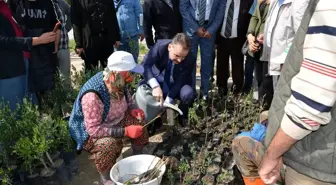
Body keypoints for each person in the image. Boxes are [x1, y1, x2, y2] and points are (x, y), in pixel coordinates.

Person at [233, 1, 336, 185]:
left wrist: (273, 154)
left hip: (313, 161)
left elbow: (312, 102)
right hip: (318, 153)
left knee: (240, 145)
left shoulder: (327, 8)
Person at [68, 51, 148, 185]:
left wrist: (133, 109)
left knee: (139, 123)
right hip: (91, 131)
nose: (133, 77)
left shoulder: (119, 82)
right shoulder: (93, 95)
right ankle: (105, 177)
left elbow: (128, 101)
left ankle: (138, 157)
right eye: (131, 73)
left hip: (116, 120)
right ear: (117, 73)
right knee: (107, 145)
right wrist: (125, 131)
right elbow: (93, 129)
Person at [5, 0, 61, 105]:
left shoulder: (47, 3)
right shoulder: (15, 3)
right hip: (26, 57)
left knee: (50, 98)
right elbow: (14, 32)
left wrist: (56, 37)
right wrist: (39, 37)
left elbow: (56, 24)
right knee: (28, 100)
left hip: (46, 57)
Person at [139, 33, 195, 134]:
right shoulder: (160, 46)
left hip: (177, 84)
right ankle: (152, 120)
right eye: (177, 55)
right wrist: (155, 86)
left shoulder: (190, 58)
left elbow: (181, 80)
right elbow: (145, 65)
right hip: (158, 80)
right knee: (143, 90)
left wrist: (169, 99)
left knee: (188, 93)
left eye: (183, 57)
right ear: (170, 47)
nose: (179, 60)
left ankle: (181, 117)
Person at [180, 0, 225, 100]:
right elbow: (183, 8)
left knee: (207, 62)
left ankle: (205, 93)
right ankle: (190, 93)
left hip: (209, 28)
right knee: (190, 61)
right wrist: (196, 28)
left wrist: (212, 29)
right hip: (191, 27)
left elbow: (220, 12)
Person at [259, 0, 309, 90]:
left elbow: (300, 36)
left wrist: (286, 57)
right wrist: (267, 36)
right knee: (272, 96)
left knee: (283, 99)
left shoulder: (299, 3)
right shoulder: (275, 2)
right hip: (272, 60)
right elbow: (278, 26)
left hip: (285, 64)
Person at [216, 0, 254, 96]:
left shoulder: (247, 2)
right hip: (222, 38)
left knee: (237, 67)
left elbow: (250, 20)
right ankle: (221, 90)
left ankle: (236, 92)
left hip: (238, 40)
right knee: (221, 66)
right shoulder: (222, 2)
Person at [71, 0, 121, 71]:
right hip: (90, 41)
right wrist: (79, 44)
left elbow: (112, 16)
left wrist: (117, 37)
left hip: (106, 39)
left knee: (109, 71)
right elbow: (76, 22)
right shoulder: (78, 1)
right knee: (90, 71)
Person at [245, 0, 273, 109]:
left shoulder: (279, 3)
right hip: (257, 46)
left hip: (269, 47)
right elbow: (255, 17)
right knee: (259, 77)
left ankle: (265, 108)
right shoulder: (259, 2)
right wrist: (250, 35)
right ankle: (262, 106)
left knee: (267, 81)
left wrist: (264, 36)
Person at [56, 0, 71, 86]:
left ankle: (67, 96)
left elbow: (71, 13)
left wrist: (67, 28)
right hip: (48, 46)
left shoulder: (62, 3)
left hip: (63, 44)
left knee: (65, 75)